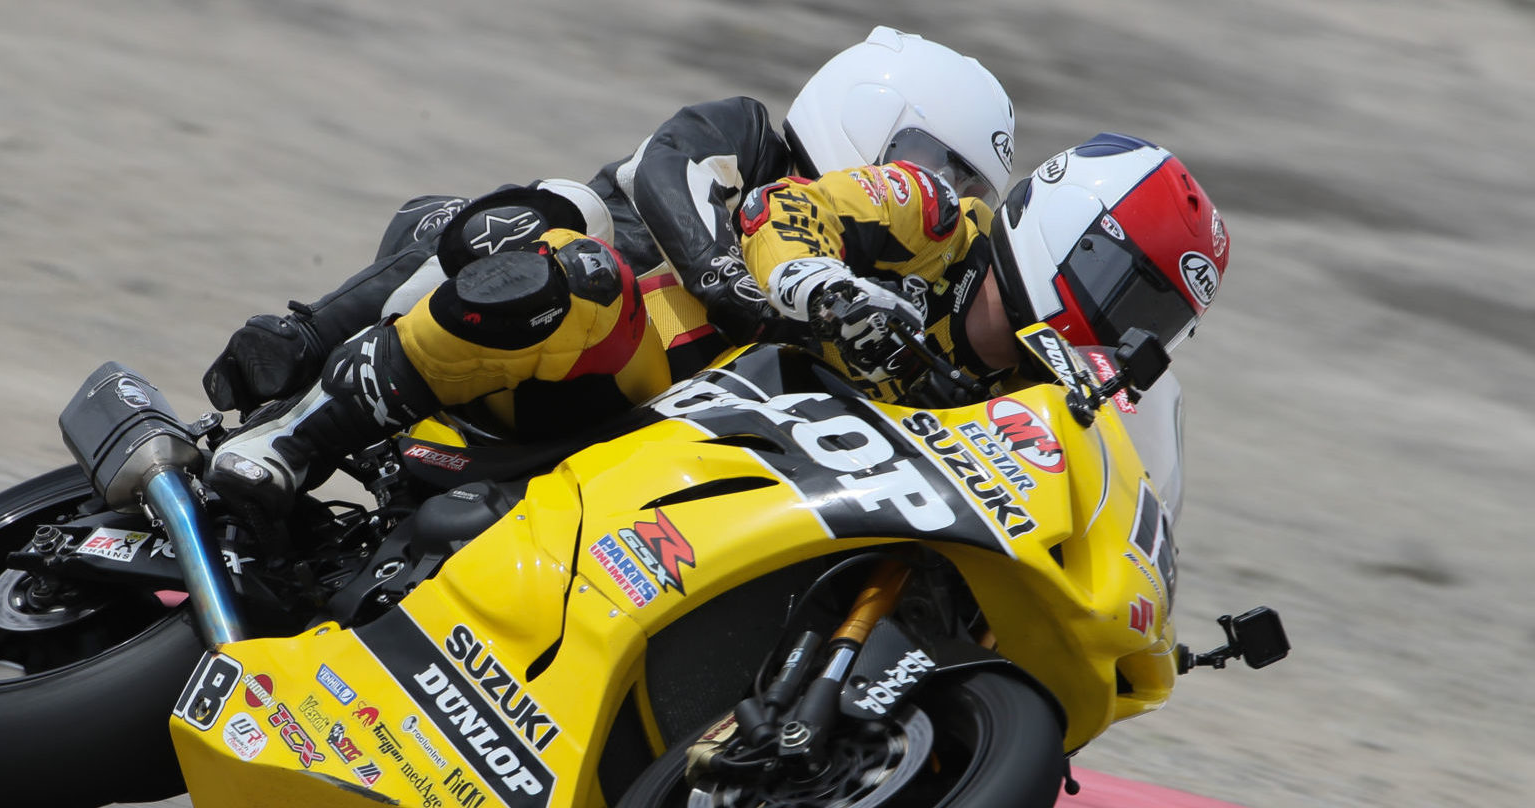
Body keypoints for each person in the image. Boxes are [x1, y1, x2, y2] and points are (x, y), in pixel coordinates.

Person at [207, 133, 1229, 517]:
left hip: (714, 495)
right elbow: (783, 212)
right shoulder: (928, 214)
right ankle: (302, 437)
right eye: (1129, 288)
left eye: (1156, 321)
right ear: (1068, 231)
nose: (1125, 328)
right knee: (581, 281)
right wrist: (823, 288)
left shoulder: (1035, 399)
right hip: (626, 382)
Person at [200, 26, 1018, 418]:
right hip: (508, 282)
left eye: (960, 186)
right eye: (935, 162)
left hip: (611, 405)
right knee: (562, 215)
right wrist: (727, 276)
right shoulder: (743, 132)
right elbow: (669, 174)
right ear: (870, 113)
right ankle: (307, 337)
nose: (933, 191)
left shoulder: (854, 292)